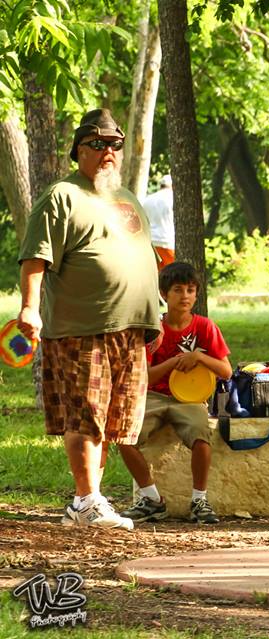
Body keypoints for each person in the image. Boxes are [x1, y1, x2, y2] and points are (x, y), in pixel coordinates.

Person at [17, 108, 161, 530]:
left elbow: (140, 257)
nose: (108, 152)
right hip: (82, 327)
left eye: (114, 144)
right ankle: (85, 500)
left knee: (116, 419)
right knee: (86, 414)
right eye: (97, 144)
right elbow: (35, 258)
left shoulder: (127, 198)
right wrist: (29, 308)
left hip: (129, 329)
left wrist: (155, 313)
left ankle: (90, 499)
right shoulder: (61, 195)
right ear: (78, 150)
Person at [118, 261, 233, 524]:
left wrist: (198, 358)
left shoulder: (205, 327)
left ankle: (199, 501)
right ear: (163, 294)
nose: (185, 296)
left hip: (190, 398)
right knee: (124, 436)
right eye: (178, 290)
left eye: (191, 290)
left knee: (201, 436)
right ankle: (151, 499)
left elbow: (225, 371)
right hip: (155, 396)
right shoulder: (153, 329)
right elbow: (145, 377)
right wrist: (174, 363)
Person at [143, 174, 174, 269]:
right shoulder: (173, 198)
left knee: (156, 275)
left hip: (150, 243)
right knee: (172, 276)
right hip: (167, 242)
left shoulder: (147, 199)